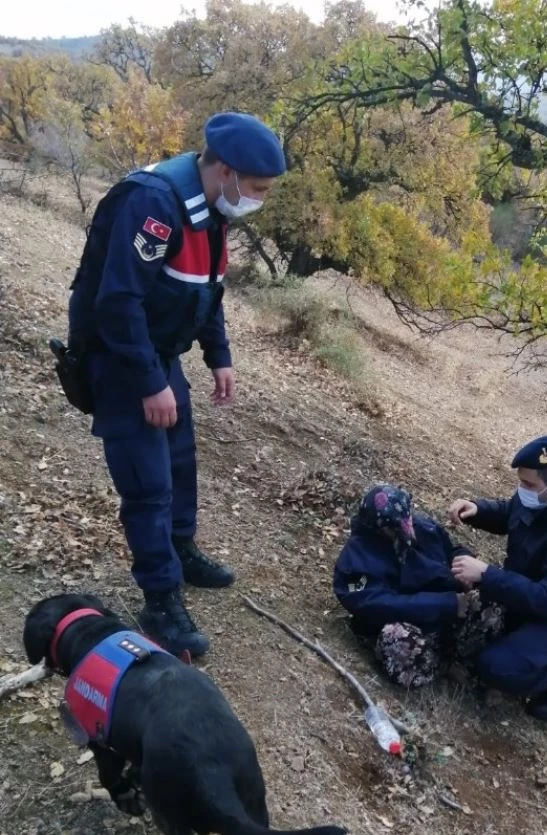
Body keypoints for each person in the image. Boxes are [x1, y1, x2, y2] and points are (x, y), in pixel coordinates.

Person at [67, 112, 286, 656]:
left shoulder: (211, 209)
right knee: (147, 485)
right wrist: (147, 383)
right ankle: (160, 599)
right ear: (227, 171)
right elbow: (117, 303)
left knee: (180, 459)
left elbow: (206, 288)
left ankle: (180, 548)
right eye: (256, 189)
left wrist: (219, 355)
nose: (258, 199)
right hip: (121, 359)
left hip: (159, 354)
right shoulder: (155, 204)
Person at [448, 435, 547, 720]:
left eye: (527, 484)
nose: (521, 489)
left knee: (496, 667)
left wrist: (487, 575)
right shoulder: (541, 497)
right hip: (522, 597)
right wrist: (478, 510)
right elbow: (511, 512)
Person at [333, 485, 503, 688]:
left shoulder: (424, 527)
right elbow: (381, 605)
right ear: (378, 527)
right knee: (396, 638)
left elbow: (452, 549)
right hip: (411, 624)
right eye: (396, 527)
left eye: (408, 519)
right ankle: (441, 667)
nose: (408, 529)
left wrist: (461, 565)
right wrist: (448, 604)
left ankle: (466, 661)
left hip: (450, 612)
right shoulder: (356, 562)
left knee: (495, 594)